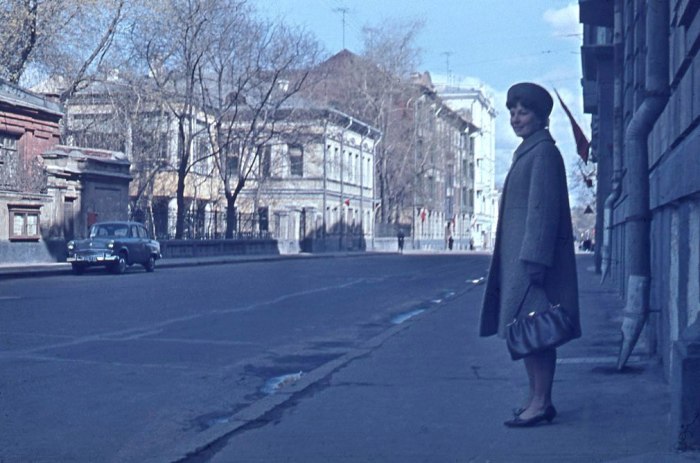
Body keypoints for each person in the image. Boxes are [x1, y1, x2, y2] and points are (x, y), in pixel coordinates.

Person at [479, 82, 581, 427]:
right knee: (528, 333)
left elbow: (542, 211)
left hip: (532, 263)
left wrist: (536, 260)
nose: (515, 118)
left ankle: (540, 403)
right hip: (521, 261)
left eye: (523, 111)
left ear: (541, 117)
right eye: (512, 111)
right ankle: (537, 398)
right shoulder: (528, 151)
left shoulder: (544, 154)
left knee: (538, 333)